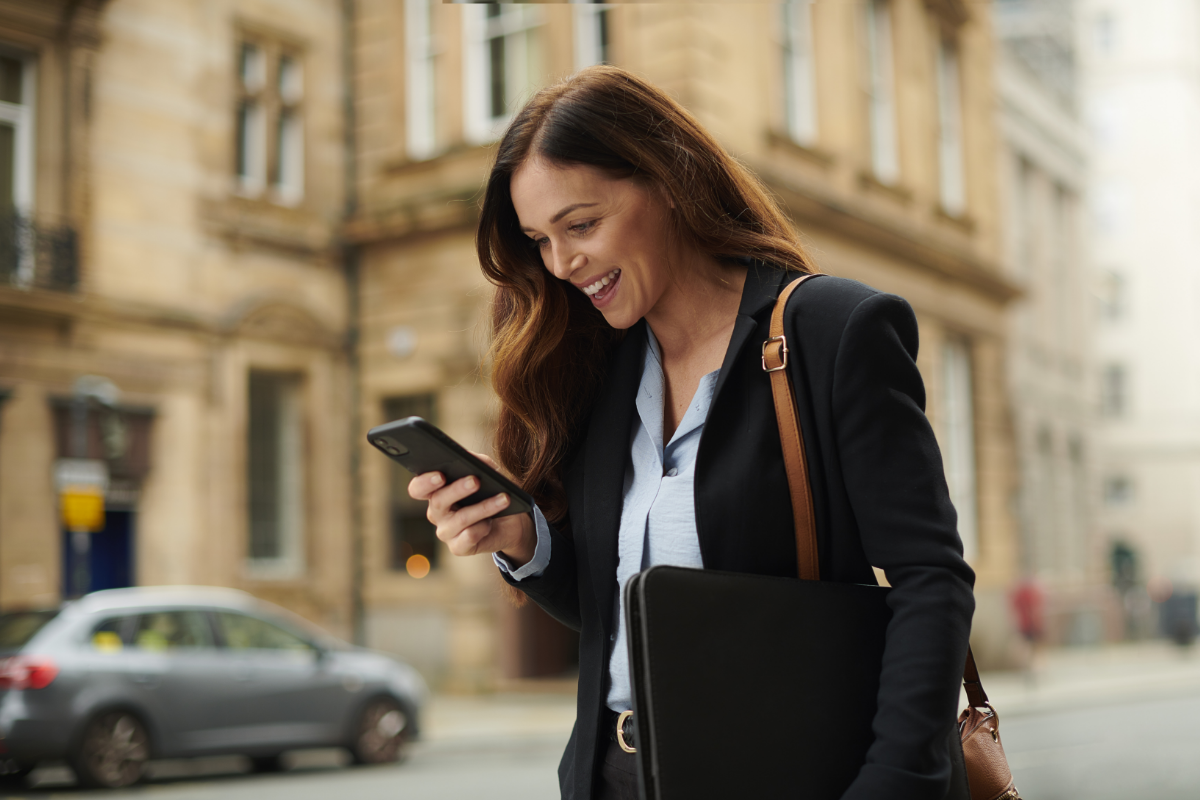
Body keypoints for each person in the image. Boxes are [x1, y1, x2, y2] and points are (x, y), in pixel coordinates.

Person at [408, 65, 975, 800]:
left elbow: (931, 582)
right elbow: (638, 617)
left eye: (581, 224)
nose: (561, 262)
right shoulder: (599, 370)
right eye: (539, 239)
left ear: (668, 181)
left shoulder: (831, 332)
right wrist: (523, 541)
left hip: (787, 773)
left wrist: (892, 784)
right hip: (610, 774)